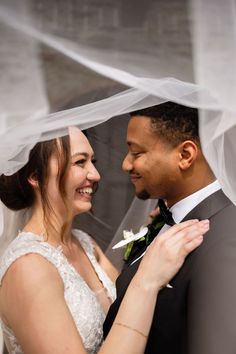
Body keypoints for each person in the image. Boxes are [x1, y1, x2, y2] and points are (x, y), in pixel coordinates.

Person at [0, 126, 208, 354]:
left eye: (93, 161)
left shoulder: (84, 243)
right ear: (35, 177)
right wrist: (146, 281)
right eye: (80, 162)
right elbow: (140, 289)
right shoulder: (28, 268)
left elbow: (127, 311)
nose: (95, 175)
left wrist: (156, 233)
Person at [104, 102, 236, 354]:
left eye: (137, 153)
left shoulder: (227, 239)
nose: (125, 165)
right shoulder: (162, 222)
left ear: (185, 155)